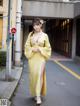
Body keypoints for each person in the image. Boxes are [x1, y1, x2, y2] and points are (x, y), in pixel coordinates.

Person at [24, 18, 51, 105]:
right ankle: (35, 93)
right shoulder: (30, 35)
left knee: (39, 75)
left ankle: (38, 96)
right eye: (34, 25)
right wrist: (32, 49)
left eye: (38, 25)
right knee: (34, 76)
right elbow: (27, 46)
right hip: (32, 58)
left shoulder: (45, 36)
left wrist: (40, 49)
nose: (36, 27)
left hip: (41, 58)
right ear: (33, 26)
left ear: (41, 25)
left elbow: (48, 48)